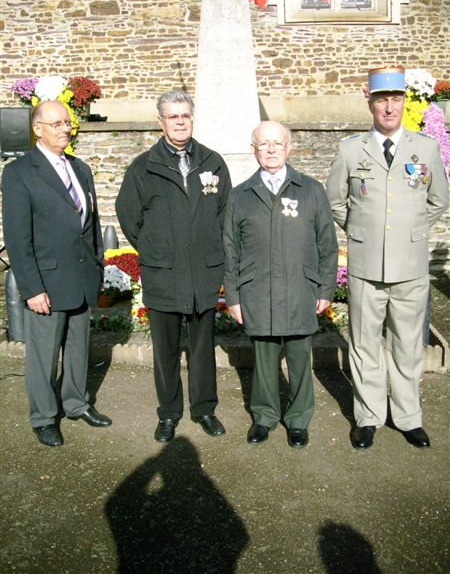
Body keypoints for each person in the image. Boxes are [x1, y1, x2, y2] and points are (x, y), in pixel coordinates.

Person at [326, 66, 449, 449]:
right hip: (366, 267)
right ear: (371, 103)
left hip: (410, 267)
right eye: (382, 100)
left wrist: (410, 231)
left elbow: (438, 199)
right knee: (364, 344)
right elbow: (335, 200)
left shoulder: (425, 148)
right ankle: (368, 417)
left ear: (404, 102)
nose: (389, 107)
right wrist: (362, 230)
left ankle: (408, 417)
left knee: (407, 346)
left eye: (396, 99)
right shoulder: (350, 149)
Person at [115, 90, 232, 443]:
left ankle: (205, 409)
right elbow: (129, 216)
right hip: (163, 272)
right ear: (161, 122)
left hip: (203, 272)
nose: (180, 122)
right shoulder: (143, 167)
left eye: (185, 116)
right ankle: (168, 413)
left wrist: (210, 249)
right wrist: (157, 249)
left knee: (202, 347)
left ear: (191, 119)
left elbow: (225, 214)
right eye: (173, 116)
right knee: (165, 350)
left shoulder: (212, 162)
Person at [1, 100, 111, 447]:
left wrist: (97, 266)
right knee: (43, 356)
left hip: (81, 277)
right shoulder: (19, 173)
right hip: (47, 282)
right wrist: (32, 288)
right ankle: (44, 417)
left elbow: (90, 225)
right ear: (38, 129)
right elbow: (18, 238)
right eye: (58, 124)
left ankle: (76, 404)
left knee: (78, 350)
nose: (66, 129)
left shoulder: (80, 168)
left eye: (68, 123)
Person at [223, 121, 338, 447]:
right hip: (257, 291)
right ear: (254, 150)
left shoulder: (310, 190)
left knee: (300, 359)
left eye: (277, 143)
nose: (271, 149)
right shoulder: (240, 195)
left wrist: (325, 289)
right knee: (263, 360)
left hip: (300, 289)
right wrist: (233, 296)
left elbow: (327, 245)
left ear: (289, 148)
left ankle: (298, 419)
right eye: (264, 144)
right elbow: (230, 249)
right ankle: (264, 416)